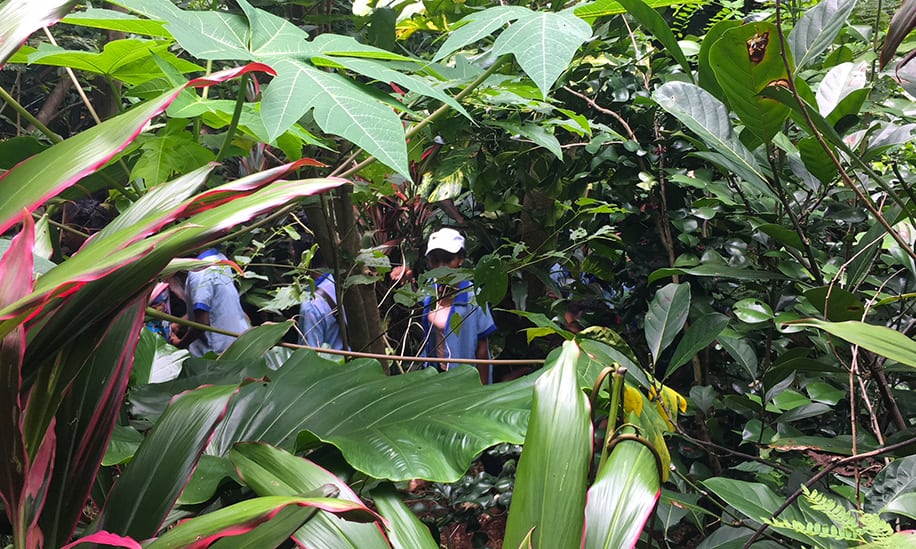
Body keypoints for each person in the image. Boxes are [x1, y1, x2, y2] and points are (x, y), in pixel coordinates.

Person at [420, 228, 496, 384]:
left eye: (447, 260)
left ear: (461, 259)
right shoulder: (427, 292)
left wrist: (482, 391)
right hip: (433, 377)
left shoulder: (473, 297)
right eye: (435, 260)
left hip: (463, 380)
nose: (441, 267)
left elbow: (482, 349)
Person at [170, 248, 250, 356]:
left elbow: (202, 322)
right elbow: (215, 305)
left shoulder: (200, 271)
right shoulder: (220, 259)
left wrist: (180, 344)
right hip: (240, 340)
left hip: (217, 352)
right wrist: (179, 323)